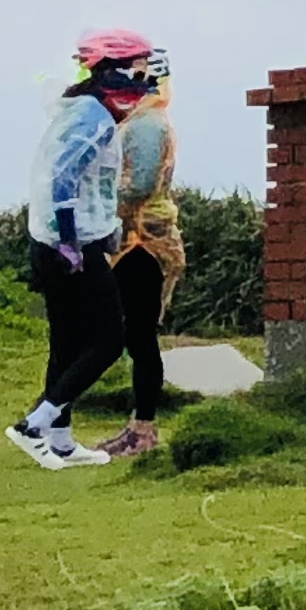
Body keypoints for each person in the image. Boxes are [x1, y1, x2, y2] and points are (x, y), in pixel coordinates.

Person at [9, 32, 162, 470]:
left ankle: (59, 440)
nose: (142, 80)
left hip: (62, 240)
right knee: (108, 341)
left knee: (68, 342)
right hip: (69, 246)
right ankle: (34, 423)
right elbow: (63, 179)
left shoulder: (84, 110)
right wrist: (72, 241)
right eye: (135, 69)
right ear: (109, 71)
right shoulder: (92, 118)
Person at [107, 72, 185, 461]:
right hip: (136, 239)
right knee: (135, 336)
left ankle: (144, 428)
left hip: (143, 242)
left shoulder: (146, 126)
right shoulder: (139, 123)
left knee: (139, 336)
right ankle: (138, 425)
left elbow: (138, 185)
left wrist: (98, 195)